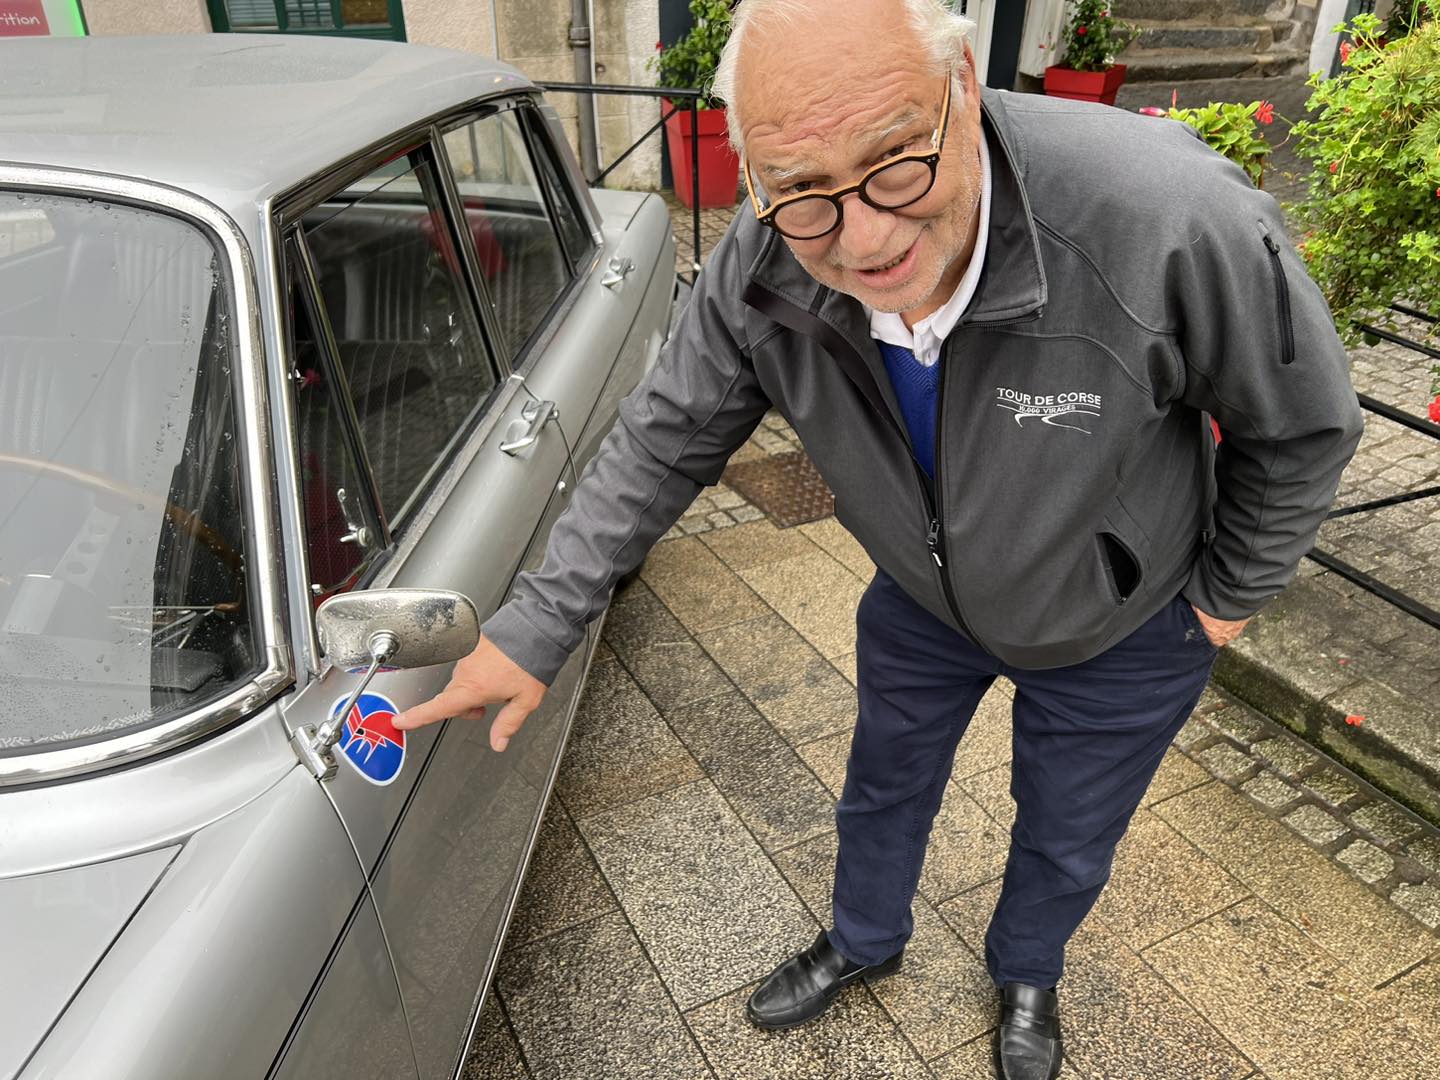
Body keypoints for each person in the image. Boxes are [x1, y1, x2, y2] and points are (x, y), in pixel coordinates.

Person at [395, 1, 1363, 1076]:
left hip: (1123, 619)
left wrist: (1227, 597)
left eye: (895, 163)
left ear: (963, 91)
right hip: (921, 597)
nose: (862, 238)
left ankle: (1028, 971)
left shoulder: (1165, 215)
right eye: (802, 190)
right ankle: (863, 940)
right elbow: (662, 439)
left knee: (1068, 824)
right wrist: (534, 627)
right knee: (882, 784)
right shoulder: (769, 252)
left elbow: (1302, 420)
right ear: (756, 170)